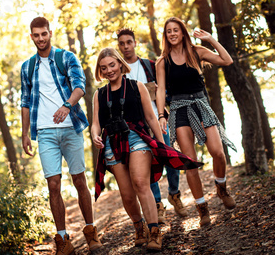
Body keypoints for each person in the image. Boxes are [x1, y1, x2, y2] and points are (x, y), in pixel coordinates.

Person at [91, 48, 202, 252]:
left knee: (141, 183)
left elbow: (151, 117)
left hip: (136, 138)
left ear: (120, 63)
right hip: (111, 143)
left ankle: (154, 231)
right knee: (126, 194)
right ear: (100, 70)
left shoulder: (137, 86)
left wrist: (161, 145)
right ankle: (138, 227)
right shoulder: (99, 95)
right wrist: (94, 135)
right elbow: (96, 123)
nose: (109, 70)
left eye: (112, 65)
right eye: (103, 67)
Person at [20, 17, 102, 255]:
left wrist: (67, 105)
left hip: (70, 128)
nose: (40, 39)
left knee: (79, 180)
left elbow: (80, 85)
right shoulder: (27, 67)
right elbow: (25, 101)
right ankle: (63, 240)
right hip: (44, 132)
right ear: (32, 36)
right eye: (36, 35)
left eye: (44, 34)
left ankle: (90, 231)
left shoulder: (66, 57)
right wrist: (25, 134)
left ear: (50, 33)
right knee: (53, 185)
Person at [155, 17, 238, 227]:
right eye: (168, 31)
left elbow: (227, 60)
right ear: (166, 36)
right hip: (179, 110)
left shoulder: (197, 51)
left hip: (201, 106)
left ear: (183, 32)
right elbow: (160, 91)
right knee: (189, 163)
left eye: (176, 30)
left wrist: (211, 39)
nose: (172, 34)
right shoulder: (162, 61)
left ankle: (222, 187)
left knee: (218, 152)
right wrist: (161, 115)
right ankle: (202, 208)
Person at [117, 28, 188, 223]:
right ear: (119, 46)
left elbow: (165, 91)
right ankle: (157, 204)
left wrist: (162, 106)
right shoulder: (119, 72)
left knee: (169, 157)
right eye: (122, 43)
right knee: (147, 166)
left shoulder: (149, 65)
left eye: (129, 42)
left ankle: (174, 193)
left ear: (135, 43)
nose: (126, 46)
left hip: (158, 120)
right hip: (136, 127)